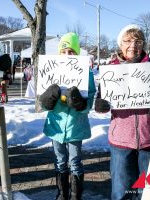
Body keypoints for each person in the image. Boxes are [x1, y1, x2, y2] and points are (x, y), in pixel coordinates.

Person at [94, 24, 150, 200]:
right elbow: (101, 99)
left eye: (138, 41)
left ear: (143, 44)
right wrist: (100, 105)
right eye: (128, 41)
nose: (133, 45)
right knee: (122, 191)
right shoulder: (110, 69)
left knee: (149, 192)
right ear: (120, 44)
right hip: (121, 142)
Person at [39, 32, 96, 200]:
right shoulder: (51, 69)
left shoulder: (86, 73)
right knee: (60, 160)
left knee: (75, 162)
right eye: (63, 51)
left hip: (75, 126)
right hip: (56, 125)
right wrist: (47, 98)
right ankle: (62, 194)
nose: (67, 55)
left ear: (77, 53)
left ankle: (75, 195)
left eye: (71, 51)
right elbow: (42, 102)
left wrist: (81, 103)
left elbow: (90, 101)